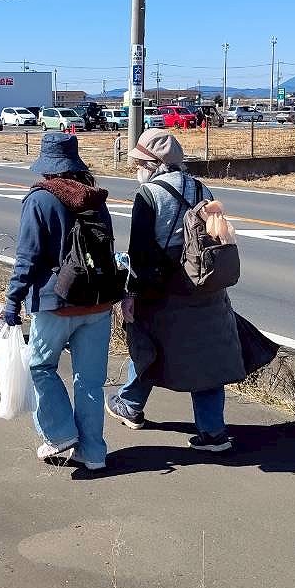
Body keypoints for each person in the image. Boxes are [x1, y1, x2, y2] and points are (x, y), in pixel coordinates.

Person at [105, 128, 242, 452]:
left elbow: (139, 250)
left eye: (139, 163)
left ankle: (130, 405)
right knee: (206, 354)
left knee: (147, 345)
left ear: (151, 164)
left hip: (162, 286)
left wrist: (130, 294)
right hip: (204, 282)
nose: (136, 169)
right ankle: (213, 432)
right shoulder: (202, 188)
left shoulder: (149, 194)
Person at [3, 133, 116, 471]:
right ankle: (93, 453)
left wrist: (11, 303)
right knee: (90, 381)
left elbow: (27, 258)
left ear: (47, 166)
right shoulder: (96, 198)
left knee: (40, 368)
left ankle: (60, 434)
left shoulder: (40, 199)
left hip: (57, 303)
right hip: (98, 302)